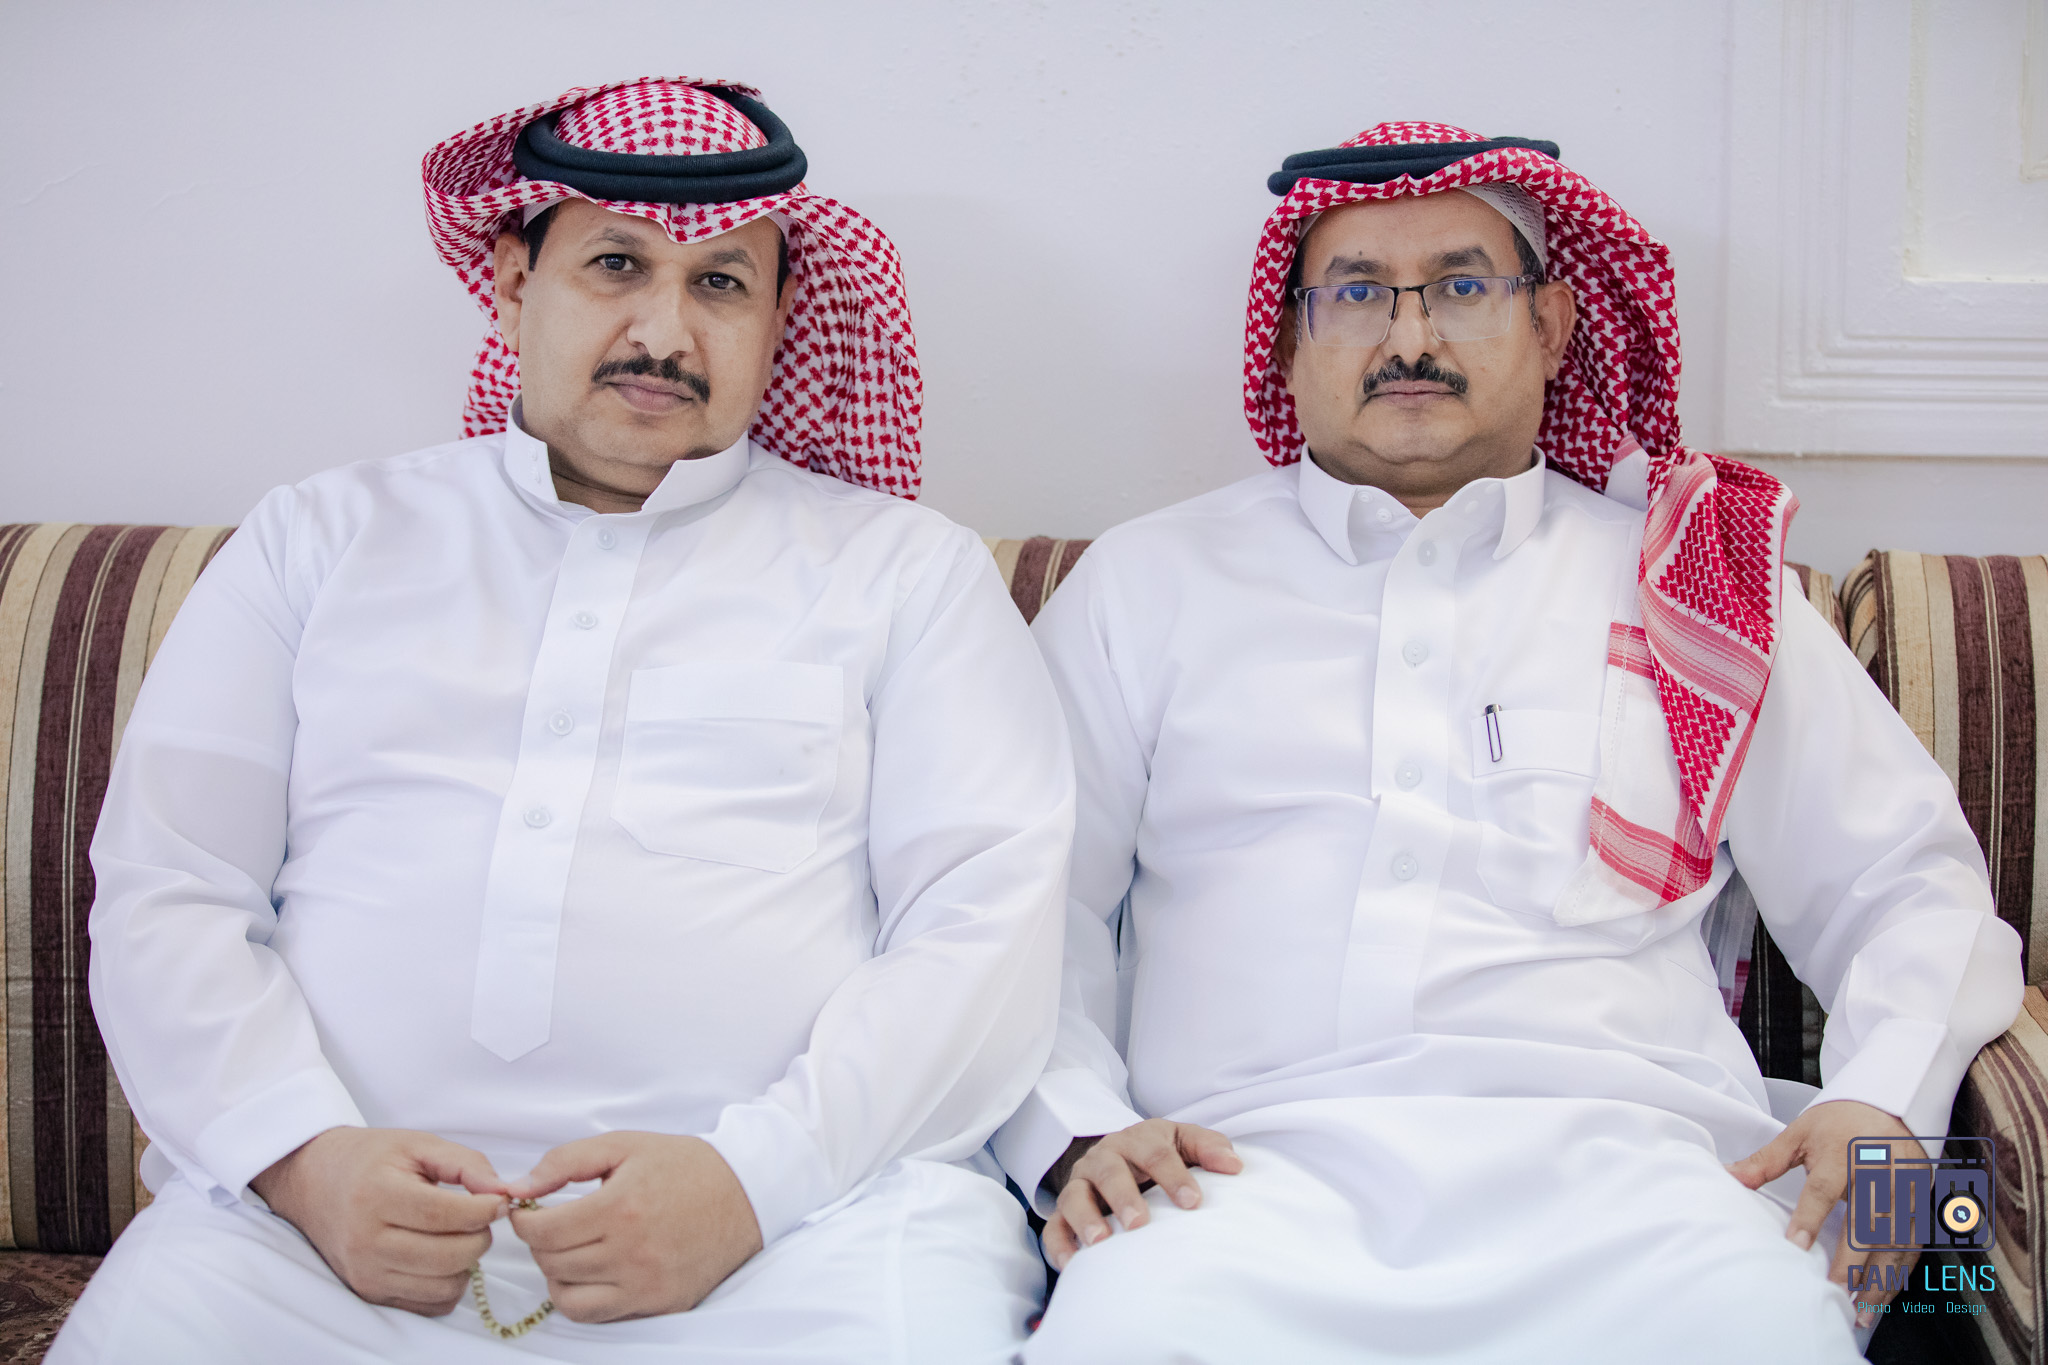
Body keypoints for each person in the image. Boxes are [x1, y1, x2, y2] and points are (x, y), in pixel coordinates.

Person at [58, 77, 1073, 1364]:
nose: (665, 330)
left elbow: (982, 927)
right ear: (509, 281)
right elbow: (171, 885)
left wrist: (752, 1183)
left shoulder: (902, 572)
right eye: (615, 264)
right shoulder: (317, 540)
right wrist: (301, 1158)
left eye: (721, 284)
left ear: (777, 321)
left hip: (803, 1235)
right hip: (313, 1241)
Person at [998, 122, 2023, 1363]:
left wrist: (1880, 1104)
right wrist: (1072, 1128)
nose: (1409, 338)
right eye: (1356, 294)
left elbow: (1905, 884)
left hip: (1647, 1188)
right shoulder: (1144, 585)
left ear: (1549, 325)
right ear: (1288, 341)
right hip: (1231, 1186)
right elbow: (1017, 907)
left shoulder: (1691, 580)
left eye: (1462, 288)